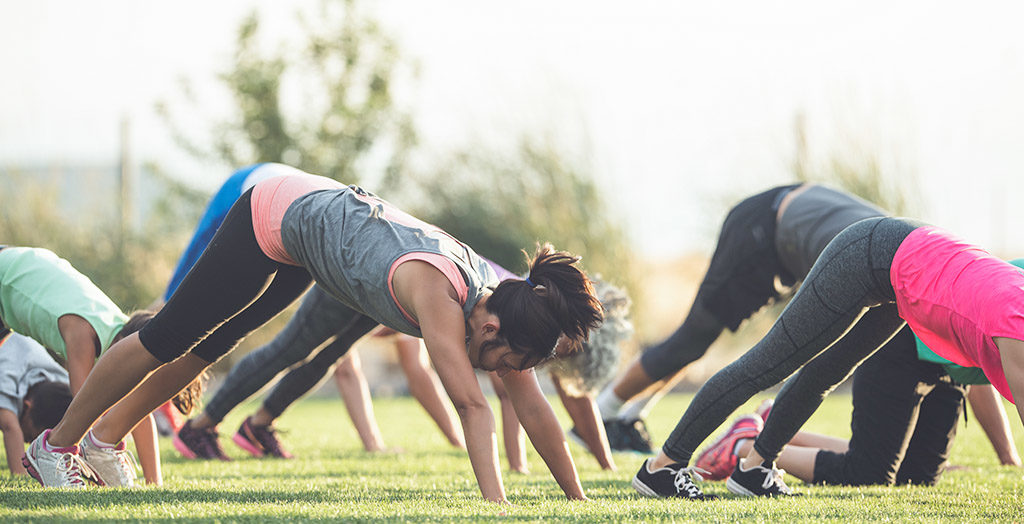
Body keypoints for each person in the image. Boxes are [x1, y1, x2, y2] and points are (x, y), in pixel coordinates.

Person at [25, 170, 603, 504]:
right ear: (493, 327)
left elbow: (531, 402)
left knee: (207, 348)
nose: (501, 370)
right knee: (171, 334)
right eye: (506, 359)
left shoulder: (498, 307)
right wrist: (496, 507)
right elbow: (473, 407)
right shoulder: (442, 297)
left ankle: (107, 439)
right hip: (274, 212)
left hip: (309, 240)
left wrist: (576, 502)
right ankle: (58, 444)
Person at [631, 213, 1024, 500]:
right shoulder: (1017, 319)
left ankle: (755, 469)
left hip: (902, 279)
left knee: (826, 373)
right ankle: (662, 468)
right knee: (767, 364)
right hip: (869, 252)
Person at [162, 163, 464, 454]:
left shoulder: (448, 294)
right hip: (347, 262)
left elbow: (415, 367)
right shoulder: (436, 294)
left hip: (374, 277)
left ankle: (258, 425)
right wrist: (459, 438)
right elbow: (417, 370)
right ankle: (199, 427)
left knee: (330, 355)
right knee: (291, 348)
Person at [596, 183, 886, 452]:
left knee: (697, 345)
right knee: (691, 341)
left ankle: (629, 418)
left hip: (790, 235)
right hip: (762, 228)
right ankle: (603, 416)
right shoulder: (886, 262)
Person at [692, 324, 1020, 486]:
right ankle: (746, 445)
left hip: (949, 361)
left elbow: (983, 374)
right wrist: (1009, 459)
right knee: (870, 473)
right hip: (903, 341)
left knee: (916, 477)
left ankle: (777, 425)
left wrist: (1008, 459)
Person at [0, 245, 165, 486]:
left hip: (16, 271)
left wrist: (154, 484)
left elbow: (140, 411)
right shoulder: (84, 333)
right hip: (8, 273)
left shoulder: (119, 329)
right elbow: (84, 407)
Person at [0, 333, 72, 475]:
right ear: (27, 406)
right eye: (32, 438)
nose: (27, 443)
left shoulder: (62, 382)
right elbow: (9, 427)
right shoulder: (5, 381)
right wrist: (21, 475)